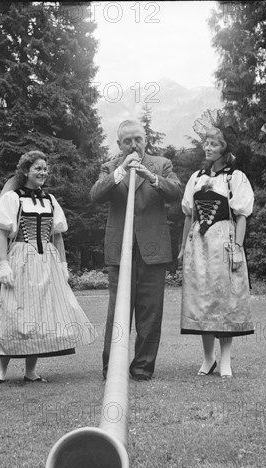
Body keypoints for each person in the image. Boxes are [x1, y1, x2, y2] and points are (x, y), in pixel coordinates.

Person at [0, 150, 96, 383]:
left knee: (39, 315)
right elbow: (2, 234)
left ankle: (30, 371)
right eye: (38, 168)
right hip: (20, 259)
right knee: (13, 312)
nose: (43, 172)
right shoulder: (13, 198)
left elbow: (57, 237)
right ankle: (1, 370)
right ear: (26, 171)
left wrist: (64, 264)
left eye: (45, 168)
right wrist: (3, 263)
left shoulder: (50, 200)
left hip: (46, 261)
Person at [90, 120, 183, 381]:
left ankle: (142, 368)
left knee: (150, 313)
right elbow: (95, 194)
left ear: (145, 140)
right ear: (119, 144)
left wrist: (150, 177)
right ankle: (112, 369)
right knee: (117, 314)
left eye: (138, 139)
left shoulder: (162, 164)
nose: (134, 144)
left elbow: (176, 192)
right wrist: (121, 169)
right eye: (127, 140)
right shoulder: (110, 166)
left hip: (153, 251)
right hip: (120, 251)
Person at [178, 110, 254, 379]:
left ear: (225, 149)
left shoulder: (235, 178)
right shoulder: (196, 177)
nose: (207, 147)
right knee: (202, 299)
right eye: (206, 143)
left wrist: (238, 247)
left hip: (224, 241)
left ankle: (225, 360)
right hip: (199, 242)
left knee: (224, 299)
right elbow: (189, 214)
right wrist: (183, 247)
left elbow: (242, 216)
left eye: (214, 144)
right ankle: (208, 358)